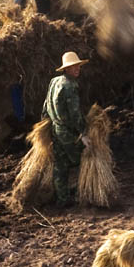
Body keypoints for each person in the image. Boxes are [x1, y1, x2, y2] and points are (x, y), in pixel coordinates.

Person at [42, 51, 89, 207]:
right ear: (66, 69)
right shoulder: (70, 86)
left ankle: (62, 198)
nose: (77, 69)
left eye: (78, 66)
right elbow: (75, 114)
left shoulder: (54, 81)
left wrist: (45, 124)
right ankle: (85, 191)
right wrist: (83, 133)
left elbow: (45, 105)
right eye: (73, 66)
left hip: (55, 130)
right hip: (67, 132)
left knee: (60, 164)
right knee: (83, 158)